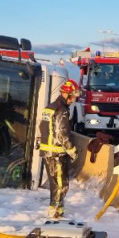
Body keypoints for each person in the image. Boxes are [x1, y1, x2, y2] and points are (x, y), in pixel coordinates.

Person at [38, 79, 80, 219]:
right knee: (62, 185)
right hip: (56, 153)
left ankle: (58, 211)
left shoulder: (50, 107)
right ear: (65, 94)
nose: (73, 99)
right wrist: (72, 151)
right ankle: (54, 214)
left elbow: (41, 128)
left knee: (55, 184)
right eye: (72, 96)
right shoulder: (61, 110)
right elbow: (62, 134)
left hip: (47, 152)